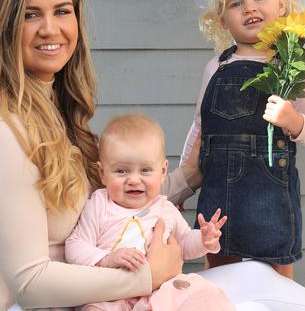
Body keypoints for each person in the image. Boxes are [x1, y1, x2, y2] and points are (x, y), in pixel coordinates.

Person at [0, 0, 200, 310]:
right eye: (30, 15)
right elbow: (30, 282)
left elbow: (111, 200)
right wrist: (147, 276)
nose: (50, 28)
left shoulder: (53, 108)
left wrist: (190, 175)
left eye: (62, 11)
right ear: (1, 25)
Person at [180, 0, 305, 279]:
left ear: (281, 6)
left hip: (272, 198)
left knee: (279, 283)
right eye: (237, 3)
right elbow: (199, 130)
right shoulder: (217, 68)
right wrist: (181, 189)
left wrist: (294, 121)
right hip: (220, 197)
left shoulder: (291, 66)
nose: (249, 8)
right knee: (220, 278)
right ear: (222, 19)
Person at [63, 114, 234, 311]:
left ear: (162, 172)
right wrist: (105, 258)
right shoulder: (99, 204)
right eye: (121, 171)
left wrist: (204, 240)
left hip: (160, 291)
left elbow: (184, 245)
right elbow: (75, 245)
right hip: (111, 293)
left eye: (145, 170)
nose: (134, 180)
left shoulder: (164, 208)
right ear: (102, 173)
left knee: (201, 293)